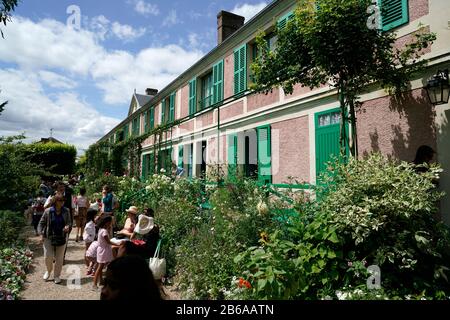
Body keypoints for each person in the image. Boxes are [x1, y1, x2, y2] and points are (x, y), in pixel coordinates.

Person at [37, 194, 72, 284]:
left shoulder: (66, 211)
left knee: (59, 258)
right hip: (48, 236)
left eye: (63, 201)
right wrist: (41, 233)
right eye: (60, 201)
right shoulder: (48, 211)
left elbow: (69, 222)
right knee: (47, 256)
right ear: (55, 201)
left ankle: (57, 275)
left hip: (61, 236)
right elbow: (41, 223)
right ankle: (48, 271)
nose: (62, 202)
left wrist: (67, 226)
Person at [93, 216, 114, 290]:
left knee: (100, 266)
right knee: (100, 267)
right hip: (104, 250)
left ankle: (101, 280)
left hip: (101, 250)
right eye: (110, 222)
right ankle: (94, 284)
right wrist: (117, 244)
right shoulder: (104, 231)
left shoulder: (101, 229)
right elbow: (108, 241)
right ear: (107, 223)